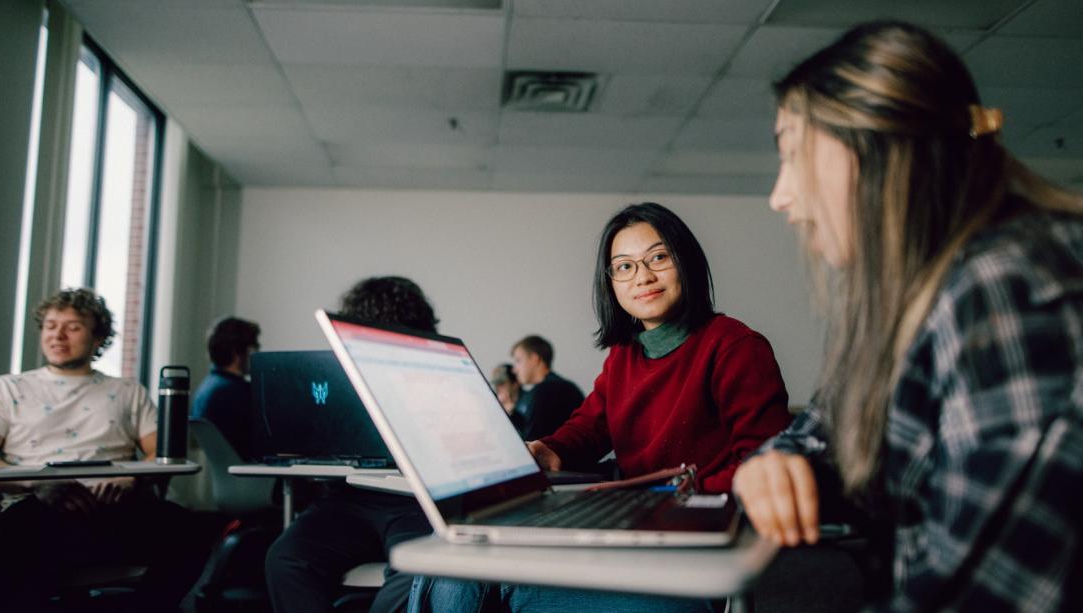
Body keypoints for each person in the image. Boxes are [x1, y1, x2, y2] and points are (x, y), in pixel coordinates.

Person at [733, 21, 1083, 611]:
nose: (780, 195)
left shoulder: (1009, 293)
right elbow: (823, 429)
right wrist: (776, 465)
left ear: (877, 148)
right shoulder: (921, 300)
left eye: (793, 155)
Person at [413, 202, 792, 612]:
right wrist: (547, 450)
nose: (643, 276)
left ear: (686, 262)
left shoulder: (734, 346)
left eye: (658, 258)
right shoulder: (623, 356)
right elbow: (591, 427)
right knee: (454, 563)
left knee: (480, 583)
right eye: (624, 267)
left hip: (694, 554)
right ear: (610, 281)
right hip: (634, 536)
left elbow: (765, 467)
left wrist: (670, 495)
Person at [0, 288, 206, 612]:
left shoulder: (126, 391)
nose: (58, 335)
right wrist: (34, 483)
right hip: (37, 506)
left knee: (191, 532)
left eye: (73, 327)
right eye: (50, 326)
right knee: (13, 546)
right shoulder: (7, 389)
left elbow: (160, 455)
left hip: (115, 507)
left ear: (98, 338)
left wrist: (131, 480)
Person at [266, 276, 439, 613]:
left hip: (418, 502)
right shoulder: (338, 382)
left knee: (419, 571)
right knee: (285, 559)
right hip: (350, 501)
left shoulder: (437, 377)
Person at [191, 316, 260, 459]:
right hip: (252, 475)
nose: (258, 353)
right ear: (238, 352)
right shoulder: (237, 393)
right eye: (255, 347)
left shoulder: (207, 388)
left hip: (225, 478)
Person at [508, 335, 584, 440]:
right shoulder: (559, 387)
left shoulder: (547, 391)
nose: (514, 370)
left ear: (535, 359)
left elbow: (531, 442)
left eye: (518, 361)